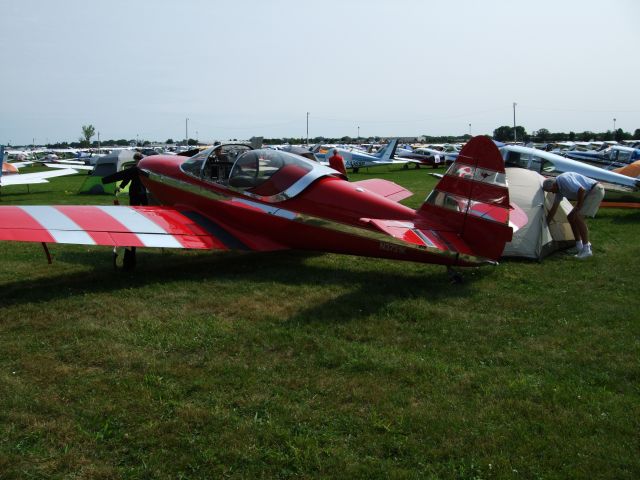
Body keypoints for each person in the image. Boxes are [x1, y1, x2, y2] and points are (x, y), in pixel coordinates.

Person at [542, 172, 605, 259]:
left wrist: (577, 208)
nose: (552, 193)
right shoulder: (559, 190)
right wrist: (546, 224)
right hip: (588, 193)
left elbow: (581, 190)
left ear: (553, 185)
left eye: (551, 190)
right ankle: (578, 245)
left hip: (595, 190)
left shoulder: (563, 179)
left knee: (578, 217)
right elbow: (554, 208)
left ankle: (586, 249)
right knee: (570, 217)